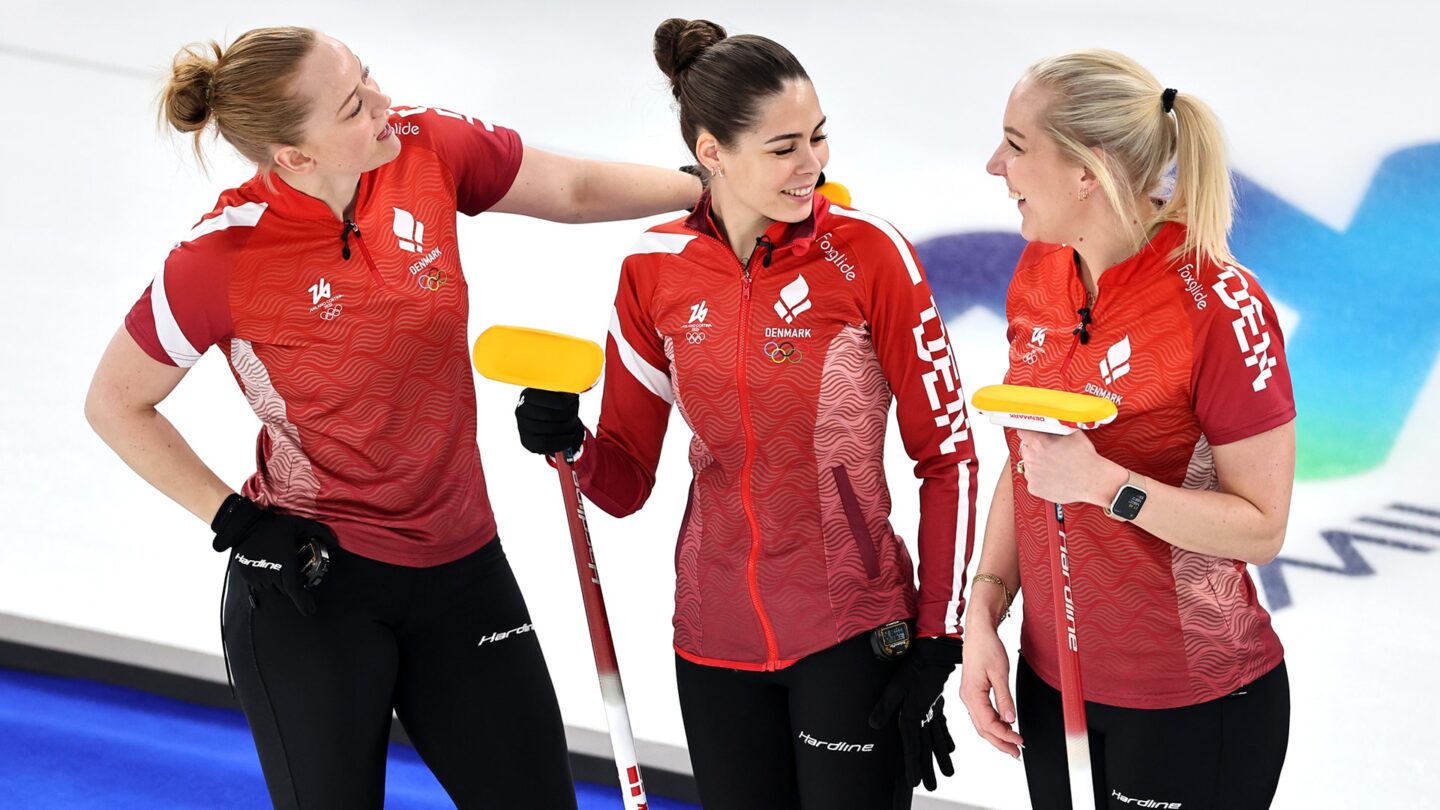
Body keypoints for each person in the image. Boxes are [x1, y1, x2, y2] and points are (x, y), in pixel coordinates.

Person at [82, 26, 703, 810]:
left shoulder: (424, 148)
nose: (383, 105)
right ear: (295, 157)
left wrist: (706, 189)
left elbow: (571, 191)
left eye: (368, 78)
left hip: (462, 564)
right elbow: (116, 402)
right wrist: (237, 521)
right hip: (316, 583)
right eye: (352, 106)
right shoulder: (220, 259)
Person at [512, 18, 978, 810]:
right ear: (711, 152)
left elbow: (950, 458)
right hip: (710, 633)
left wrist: (940, 635)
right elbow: (623, 483)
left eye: (819, 138)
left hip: (851, 627)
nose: (815, 166)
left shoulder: (869, 255)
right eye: (784, 146)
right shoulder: (654, 269)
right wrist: (571, 445)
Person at [959, 49, 1295, 810]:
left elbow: (1261, 526)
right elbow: (1031, 460)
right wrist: (984, 608)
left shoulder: (1218, 303)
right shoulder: (1039, 274)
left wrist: (1107, 487)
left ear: (1089, 170)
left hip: (1191, 702)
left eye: (1015, 146)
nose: (992, 166)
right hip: (1056, 691)